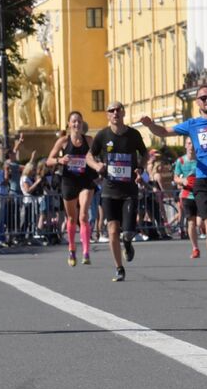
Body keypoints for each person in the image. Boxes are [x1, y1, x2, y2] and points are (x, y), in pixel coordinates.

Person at [140, 84, 207, 290]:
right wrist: (150, 125)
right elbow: (165, 131)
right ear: (197, 103)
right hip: (204, 181)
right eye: (203, 98)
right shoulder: (192, 124)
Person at [85, 101, 148, 281]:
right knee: (112, 230)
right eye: (111, 111)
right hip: (109, 190)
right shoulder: (102, 135)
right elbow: (89, 156)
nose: (115, 113)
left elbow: (145, 154)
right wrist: (97, 165)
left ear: (123, 113)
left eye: (118, 110)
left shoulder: (133, 135)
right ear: (107, 115)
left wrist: (140, 169)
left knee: (127, 232)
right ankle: (119, 268)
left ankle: (127, 243)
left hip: (129, 191)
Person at [48, 110, 97, 266]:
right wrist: (60, 160)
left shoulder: (89, 140)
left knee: (83, 216)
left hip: (85, 181)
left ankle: (86, 252)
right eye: (74, 121)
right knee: (71, 218)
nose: (77, 124)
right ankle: (71, 248)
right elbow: (48, 160)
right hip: (69, 182)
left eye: (79, 122)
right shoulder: (63, 141)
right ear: (69, 124)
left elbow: (98, 156)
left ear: (82, 124)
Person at [173, 140, 201, 257]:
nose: (191, 146)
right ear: (185, 145)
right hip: (187, 195)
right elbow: (175, 177)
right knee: (191, 223)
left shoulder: (201, 159)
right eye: (189, 143)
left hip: (201, 194)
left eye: (193, 143)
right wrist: (182, 180)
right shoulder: (181, 161)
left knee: (201, 222)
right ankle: (195, 248)